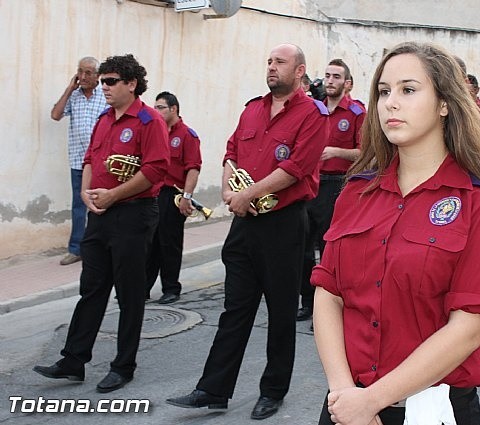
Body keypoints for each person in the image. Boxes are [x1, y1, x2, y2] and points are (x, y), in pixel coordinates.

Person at [312, 41, 480, 425]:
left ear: (444, 104)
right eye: (383, 91)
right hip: (348, 404)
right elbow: (328, 293)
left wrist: (373, 399)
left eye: (408, 90)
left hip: (431, 410)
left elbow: (467, 327)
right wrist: (344, 393)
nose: (390, 102)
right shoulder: (357, 193)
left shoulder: (477, 203)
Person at [166, 43, 329, 420]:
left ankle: (273, 391)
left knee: (282, 312)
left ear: (300, 71)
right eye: (269, 62)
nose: (271, 68)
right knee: (235, 309)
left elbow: (297, 169)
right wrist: (227, 191)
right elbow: (231, 153)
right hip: (245, 224)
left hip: (284, 225)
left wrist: (246, 195)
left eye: (280, 63)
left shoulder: (312, 114)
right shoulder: (252, 108)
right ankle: (213, 390)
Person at [33, 54, 169, 393]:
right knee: (91, 289)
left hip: (134, 214)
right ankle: (73, 360)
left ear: (131, 84)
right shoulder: (104, 119)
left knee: (129, 294)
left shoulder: (149, 120)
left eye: (110, 81)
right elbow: (91, 157)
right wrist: (85, 192)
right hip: (101, 214)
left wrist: (113, 195)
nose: (103, 86)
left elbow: (155, 170)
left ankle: (123, 366)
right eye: (103, 80)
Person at [297, 59, 366, 324]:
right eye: (327, 76)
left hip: (337, 185)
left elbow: (366, 153)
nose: (330, 81)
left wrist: (336, 152)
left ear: (347, 83)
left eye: (336, 77)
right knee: (303, 247)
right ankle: (307, 302)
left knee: (329, 250)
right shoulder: (314, 110)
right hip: (311, 181)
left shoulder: (357, 114)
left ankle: (328, 311)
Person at [145, 91, 202, 304]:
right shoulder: (154, 132)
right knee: (149, 243)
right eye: (156, 107)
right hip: (153, 193)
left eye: (160, 107)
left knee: (169, 244)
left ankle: (171, 288)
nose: (156, 111)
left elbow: (193, 169)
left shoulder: (187, 135)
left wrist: (187, 197)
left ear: (173, 109)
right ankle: (143, 287)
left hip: (173, 194)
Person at [51, 56, 107, 266]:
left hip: (102, 162)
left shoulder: (105, 96)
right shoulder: (74, 96)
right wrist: (69, 88)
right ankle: (76, 249)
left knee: (102, 203)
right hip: (78, 161)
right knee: (78, 206)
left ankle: (100, 247)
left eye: (88, 73)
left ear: (97, 76)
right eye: (80, 72)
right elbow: (56, 115)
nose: (83, 77)